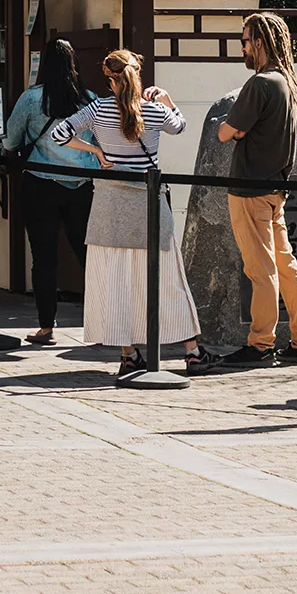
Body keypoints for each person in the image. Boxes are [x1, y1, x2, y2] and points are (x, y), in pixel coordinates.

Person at [50, 50, 221, 378]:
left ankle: (129, 354)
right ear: (137, 76)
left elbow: (60, 135)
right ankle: (193, 351)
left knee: (116, 283)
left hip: (110, 207)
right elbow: (180, 126)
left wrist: (96, 150)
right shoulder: (153, 111)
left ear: (109, 78)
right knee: (167, 281)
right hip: (149, 206)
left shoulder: (98, 109)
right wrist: (168, 99)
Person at [214, 11, 297, 367]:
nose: (241, 47)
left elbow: (226, 132)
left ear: (258, 41)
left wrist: (234, 129)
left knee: (260, 269)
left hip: (249, 188)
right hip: (275, 188)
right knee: (285, 265)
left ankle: (260, 343)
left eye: (244, 40)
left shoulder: (259, 84)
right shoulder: (288, 84)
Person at [3, 38, 99, 344]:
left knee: (43, 257)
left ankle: (46, 327)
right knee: (89, 255)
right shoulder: (91, 100)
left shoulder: (32, 100)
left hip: (40, 184)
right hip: (80, 186)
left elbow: (10, 141)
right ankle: (104, 324)